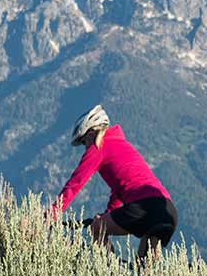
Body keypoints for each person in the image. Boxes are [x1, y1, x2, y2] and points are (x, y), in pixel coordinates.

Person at [53, 105, 178, 261]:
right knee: (146, 272)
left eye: (84, 141)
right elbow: (120, 189)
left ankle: (110, 273)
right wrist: (108, 214)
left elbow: (75, 183)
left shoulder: (99, 147)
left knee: (96, 229)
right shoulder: (121, 145)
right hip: (168, 211)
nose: (85, 147)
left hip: (144, 206)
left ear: (92, 133)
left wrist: (51, 215)